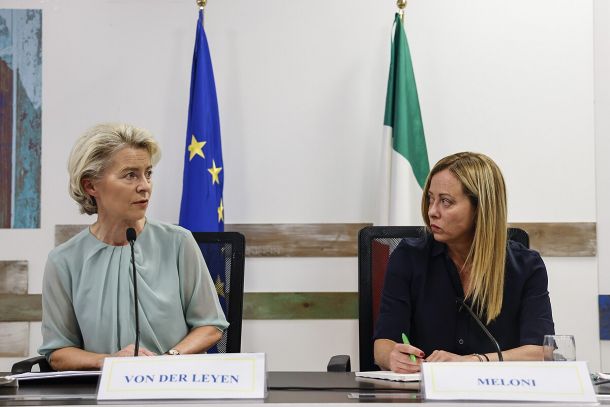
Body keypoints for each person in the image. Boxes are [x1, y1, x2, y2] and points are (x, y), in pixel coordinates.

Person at [39, 123, 228, 370]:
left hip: (173, 385)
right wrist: (110, 363)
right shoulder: (64, 260)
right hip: (99, 391)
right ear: (90, 186)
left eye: (148, 173)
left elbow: (211, 326)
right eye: (130, 175)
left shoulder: (178, 242)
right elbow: (58, 352)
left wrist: (168, 359)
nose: (145, 186)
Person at [373, 152, 554, 373]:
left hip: (499, 394)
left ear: (480, 209)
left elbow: (540, 352)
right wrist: (393, 357)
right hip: (424, 397)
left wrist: (472, 361)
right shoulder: (408, 257)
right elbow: (383, 343)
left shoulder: (526, 267)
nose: (432, 211)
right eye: (430, 199)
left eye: (446, 202)